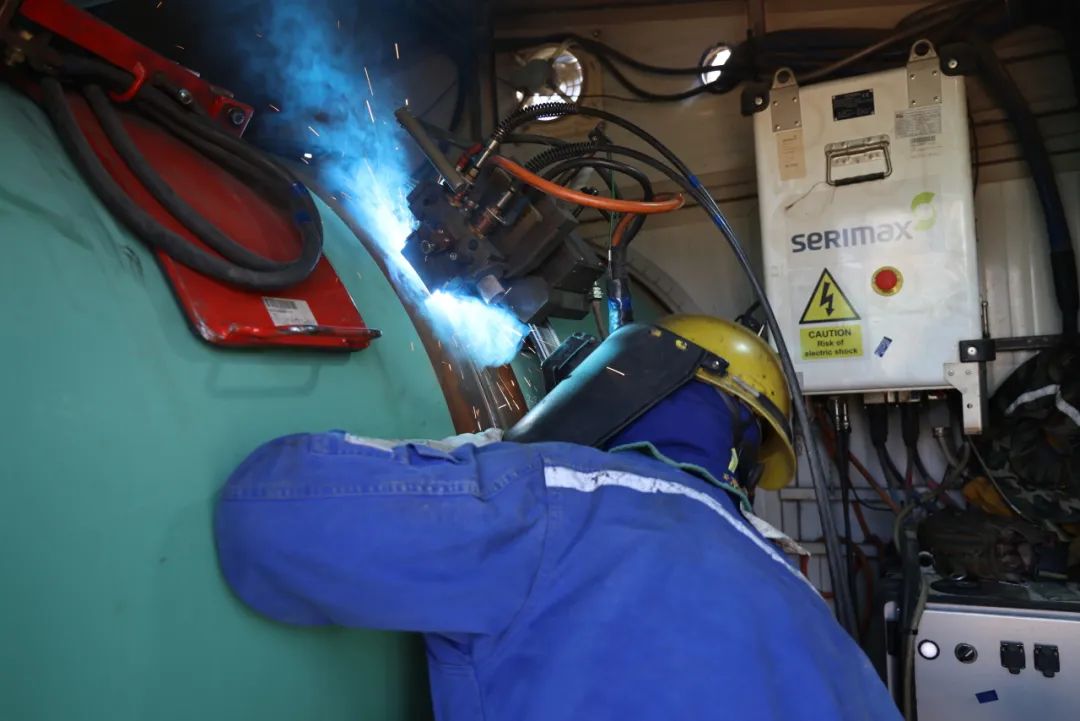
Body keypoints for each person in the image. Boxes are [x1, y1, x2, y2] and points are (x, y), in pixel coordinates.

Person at [214, 315, 900, 721]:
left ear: (639, 374)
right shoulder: (803, 598)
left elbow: (268, 511)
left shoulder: (557, 500)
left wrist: (474, 459)